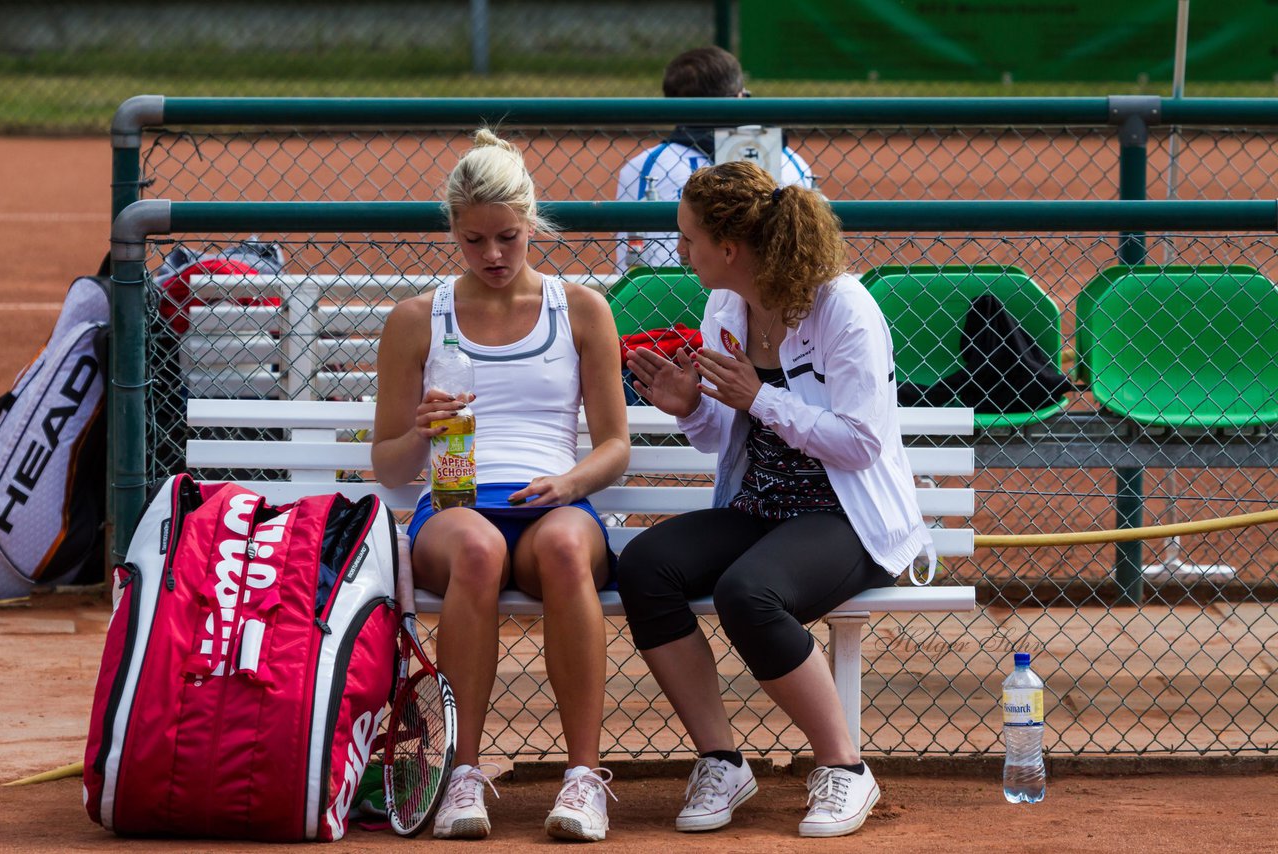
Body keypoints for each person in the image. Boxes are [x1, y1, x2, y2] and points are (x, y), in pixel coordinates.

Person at [617, 160, 934, 838]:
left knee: (747, 594)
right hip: (760, 509)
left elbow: (860, 444)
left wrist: (761, 397)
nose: (681, 251)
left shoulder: (842, 308)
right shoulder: (725, 307)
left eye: (689, 238)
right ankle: (722, 761)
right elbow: (719, 435)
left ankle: (846, 769)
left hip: (846, 518)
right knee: (645, 567)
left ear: (728, 248)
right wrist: (685, 408)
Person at [372, 129, 630, 842]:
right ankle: (462, 773)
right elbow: (389, 468)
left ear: (532, 224)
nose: (491, 256)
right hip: (455, 509)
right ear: (452, 229)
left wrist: (568, 482)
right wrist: (421, 432)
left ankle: (583, 779)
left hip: (554, 499)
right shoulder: (418, 320)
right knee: (479, 551)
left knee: (566, 552)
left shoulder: (580, 310)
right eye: (474, 240)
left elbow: (615, 446)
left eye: (508, 238)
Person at [614, 45, 814, 273]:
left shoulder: (643, 167)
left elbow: (629, 268)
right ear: (740, 97)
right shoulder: (789, 160)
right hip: (775, 294)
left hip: (668, 297)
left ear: (672, 106)